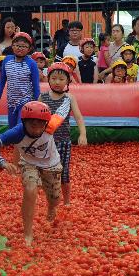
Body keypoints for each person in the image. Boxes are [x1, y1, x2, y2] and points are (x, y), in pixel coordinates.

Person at [0, 101, 62, 245]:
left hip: (51, 164)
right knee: (30, 189)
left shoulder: (51, 125)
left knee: (55, 198)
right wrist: (1, 162)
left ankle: (51, 206)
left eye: (40, 124)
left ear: (46, 123)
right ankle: (27, 233)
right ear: (24, 122)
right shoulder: (17, 132)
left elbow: (63, 110)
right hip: (29, 163)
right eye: (32, 124)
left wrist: (82, 132)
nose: (36, 128)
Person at [40, 63, 88, 206]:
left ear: (68, 81)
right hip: (46, 142)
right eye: (53, 78)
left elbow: (79, 117)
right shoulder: (43, 97)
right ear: (48, 80)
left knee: (64, 174)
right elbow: (35, 119)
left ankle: (66, 201)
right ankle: (51, 200)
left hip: (63, 142)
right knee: (47, 173)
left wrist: (83, 134)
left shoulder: (69, 98)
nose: (57, 82)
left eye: (61, 79)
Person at [0, 32, 41, 128]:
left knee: (20, 128)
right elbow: (1, 81)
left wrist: (38, 104)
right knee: (12, 127)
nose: (20, 48)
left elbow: (36, 86)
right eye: (17, 45)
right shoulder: (7, 60)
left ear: (29, 48)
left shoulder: (32, 64)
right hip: (11, 102)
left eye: (24, 46)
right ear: (12, 46)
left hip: (26, 102)